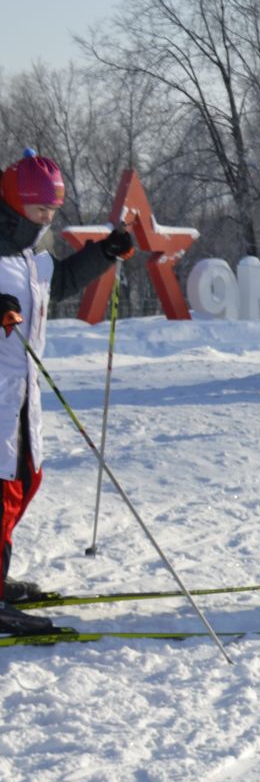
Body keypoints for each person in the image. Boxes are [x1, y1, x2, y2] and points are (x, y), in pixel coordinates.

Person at [0, 151, 134, 633]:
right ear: (15, 204)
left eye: (52, 212)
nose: (46, 220)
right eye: (39, 211)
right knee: (3, 492)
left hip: (20, 392)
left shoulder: (27, 257)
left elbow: (59, 284)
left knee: (25, 482)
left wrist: (106, 252)